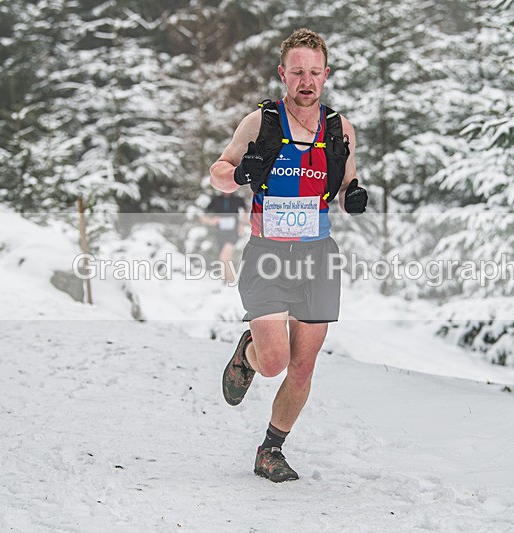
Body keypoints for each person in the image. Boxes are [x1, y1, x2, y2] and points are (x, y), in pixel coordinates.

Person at [209, 28, 368, 483]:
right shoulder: (261, 123)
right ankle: (249, 353)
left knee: (303, 365)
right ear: (283, 74)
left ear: (326, 75)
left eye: (315, 72)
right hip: (268, 256)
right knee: (275, 360)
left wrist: (351, 195)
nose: (306, 80)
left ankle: (270, 450)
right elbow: (218, 175)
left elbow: (344, 183)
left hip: (318, 256)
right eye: (297, 71)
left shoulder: (339, 129)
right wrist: (240, 172)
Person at [202, 191, 246, 284]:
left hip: (233, 232)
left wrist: (242, 225)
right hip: (220, 232)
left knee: (226, 253)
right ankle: (226, 279)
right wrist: (212, 221)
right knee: (223, 257)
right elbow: (204, 215)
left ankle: (230, 279)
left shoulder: (237, 199)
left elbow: (246, 212)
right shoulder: (216, 200)